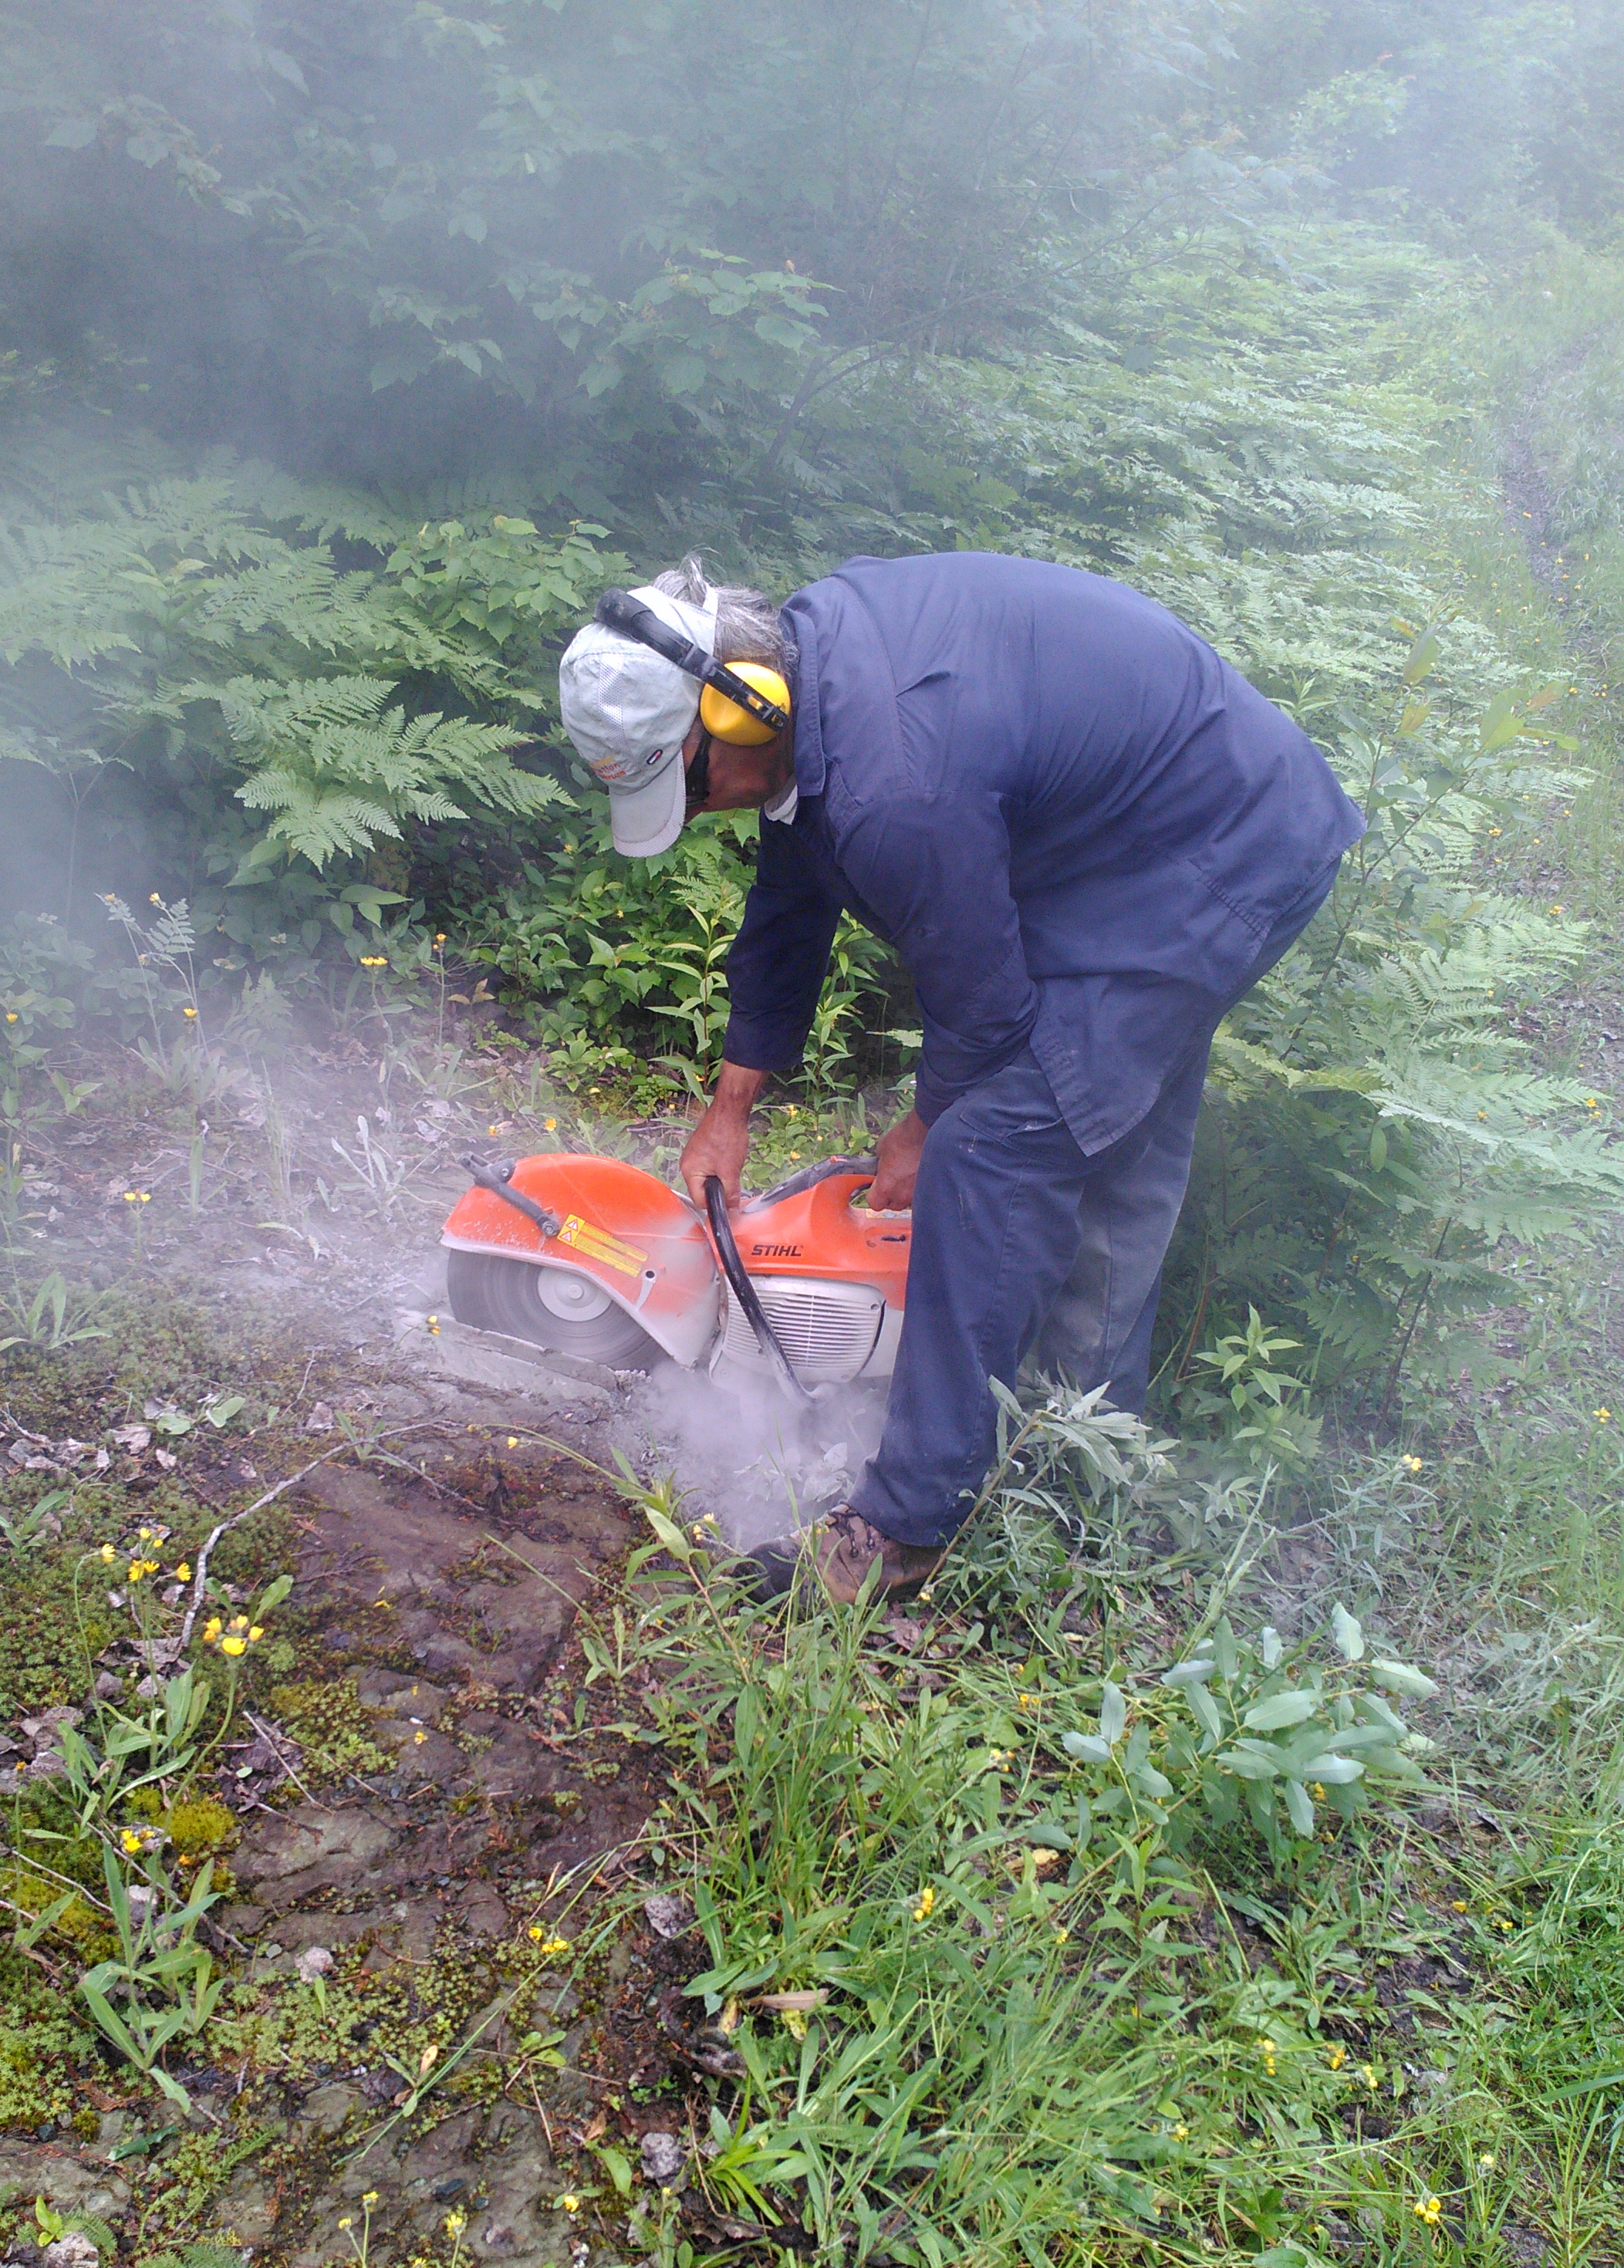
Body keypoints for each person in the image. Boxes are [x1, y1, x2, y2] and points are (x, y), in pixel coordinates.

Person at [558, 551, 1361, 1600]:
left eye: (690, 778)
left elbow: (984, 1014)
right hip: (1137, 838)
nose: (697, 808)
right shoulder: (817, 694)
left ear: (744, 709)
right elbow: (788, 908)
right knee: (1096, 1111)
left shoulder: (897, 774)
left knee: (996, 1142)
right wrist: (730, 1111)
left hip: (1220, 848)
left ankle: (906, 1530)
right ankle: (1084, 1462)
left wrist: (923, 1128)